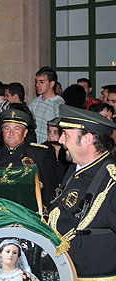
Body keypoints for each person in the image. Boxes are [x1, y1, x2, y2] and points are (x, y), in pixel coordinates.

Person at [48, 105, 116, 279]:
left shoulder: (111, 181)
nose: (61, 140)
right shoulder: (75, 169)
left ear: (87, 139)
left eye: (66, 135)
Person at [0, 109, 58, 205]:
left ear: (25, 132)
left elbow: (49, 192)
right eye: (7, 128)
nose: (11, 133)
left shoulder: (39, 154)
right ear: (2, 131)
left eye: (16, 129)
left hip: (28, 212)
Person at [29, 66, 64, 144]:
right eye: (36, 81)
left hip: (49, 149)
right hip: (34, 146)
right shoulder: (34, 102)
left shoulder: (58, 104)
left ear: (51, 84)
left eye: (41, 82)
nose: (37, 85)